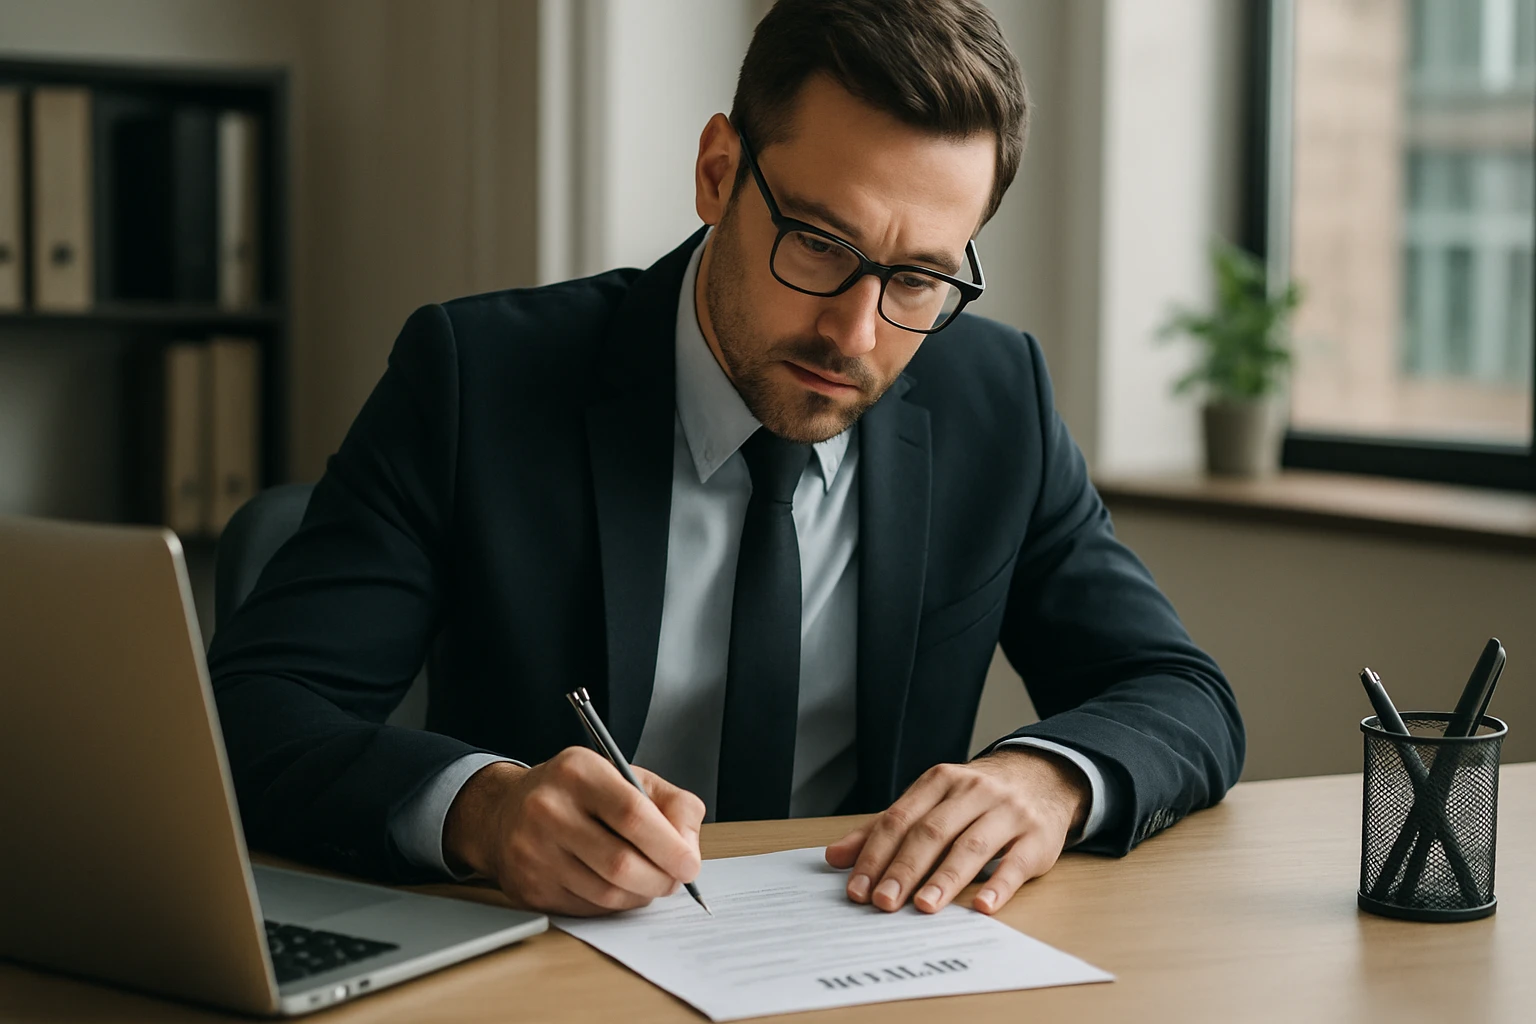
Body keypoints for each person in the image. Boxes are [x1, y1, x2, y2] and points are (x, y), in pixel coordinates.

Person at [208, 0, 1243, 920]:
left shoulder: (995, 397)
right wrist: (484, 808)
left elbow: (1178, 691)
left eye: (920, 278)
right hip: (552, 972)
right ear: (718, 174)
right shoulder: (478, 377)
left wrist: (1050, 776)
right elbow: (256, 712)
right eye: (821, 245)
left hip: (867, 970)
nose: (857, 331)